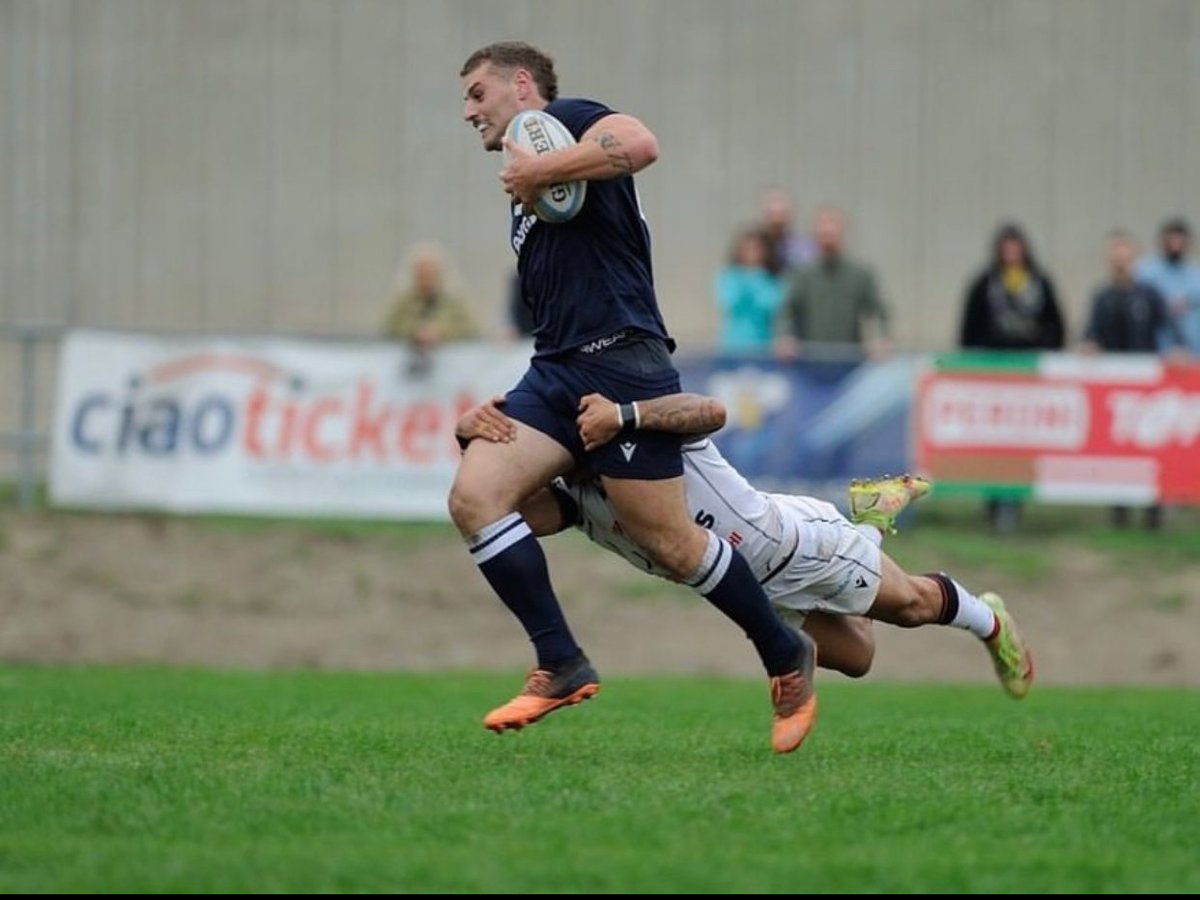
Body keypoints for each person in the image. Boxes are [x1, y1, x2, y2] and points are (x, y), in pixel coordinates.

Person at [454, 41, 816, 753]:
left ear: (520, 84)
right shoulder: (524, 182)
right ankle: (560, 660)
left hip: (623, 359)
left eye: (476, 93)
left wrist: (542, 168)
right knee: (475, 497)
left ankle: (784, 651)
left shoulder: (571, 121)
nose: (468, 111)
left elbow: (643, 144)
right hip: (555, 369)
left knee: (670, 542)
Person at [456, 393, 1034, 698]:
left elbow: (711, 410)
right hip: (749, 590)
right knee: (859, 658)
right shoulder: (580, 499)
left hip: (795, 546)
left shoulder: (645, 439)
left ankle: (991, 623)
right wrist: (473, 442)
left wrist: (626, 415)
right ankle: (872, 521)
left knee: (912, 607)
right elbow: (504, 509)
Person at [959, 222, 1065, 533]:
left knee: (1021, 444)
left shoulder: (1039, 283)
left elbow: (1056, 327)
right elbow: (968, 330)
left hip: (1027, 379)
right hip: (992, 377)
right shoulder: (984, 284)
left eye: (1015, 247)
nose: (1011, 253)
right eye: (1006, 248)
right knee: (993, 443)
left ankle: (1015, 503)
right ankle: (993, 502)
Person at [1082, 230, 1186, 530]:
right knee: (1117, 450)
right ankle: (1120, 511)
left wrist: (1175, 352)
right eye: (1115, 257)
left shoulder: (1149, 295)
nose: (1120, 262)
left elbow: (1169, 331)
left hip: (1147, 390)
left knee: (1150, 449)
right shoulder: (1103, 297)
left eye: (1125, 256)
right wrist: (1089, 346)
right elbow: (1090, 333)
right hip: (1114, 393)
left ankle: (1153, 512)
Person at [775, 206, 891, 361]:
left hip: (849, 361)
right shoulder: (802, 275)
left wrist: (880, 338)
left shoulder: (860, 274)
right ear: (815, 235)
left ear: (842, 232)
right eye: (823, 234)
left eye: (832, 233)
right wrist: (785, 337)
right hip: (808, 361)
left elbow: (879, 311)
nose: (828, 239)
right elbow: (786, 310)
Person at [382, 243, 479, 375]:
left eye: (430, 271)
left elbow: (470, 329)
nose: (426, 277)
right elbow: (389, 328)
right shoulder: (403, 303)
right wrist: (415, 333)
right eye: (421, 272)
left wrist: (440, 333)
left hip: (451, 375)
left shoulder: (454, 303)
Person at [1134, 217, 1200, 355]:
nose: (1175, 245)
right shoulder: (1145, 272)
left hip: (1193, 353)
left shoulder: (1196, 276)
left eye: (1179, 240)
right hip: (1156, 351)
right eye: (1171, 240)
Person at [714, 227, 783, 356]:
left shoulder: (772, 280)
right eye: (747, 248)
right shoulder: (728, 276)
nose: (752, 252)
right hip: (733, 347)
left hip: (763, 347)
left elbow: (768, 307)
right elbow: (730, 302)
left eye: (756, 248)